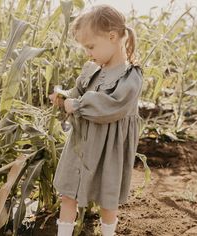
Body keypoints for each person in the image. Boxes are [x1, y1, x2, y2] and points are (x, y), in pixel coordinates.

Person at [49, 4, 143, 236]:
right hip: (82, 144)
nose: (88, 53)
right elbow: (77, 94)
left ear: (112, 37)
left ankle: (108, 232)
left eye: (91, 46)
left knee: (107, 200)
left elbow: (112, 106)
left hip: (108, 149)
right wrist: (64, 98)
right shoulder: (93, 70)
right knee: (68, 193)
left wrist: (78, 105)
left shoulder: (131, 76)